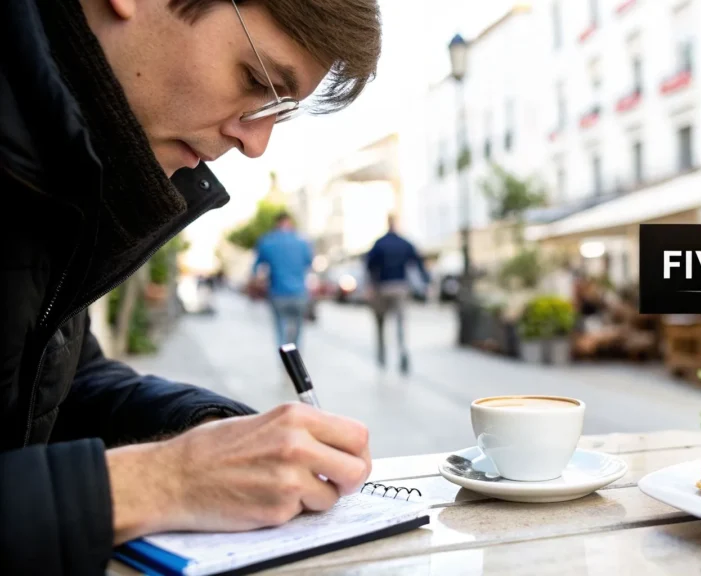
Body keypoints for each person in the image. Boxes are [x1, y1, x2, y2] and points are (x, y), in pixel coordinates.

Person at [0, 0, 381, 573]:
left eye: (279, 112)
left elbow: (60, 382)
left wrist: (211, 431)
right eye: (256, 81)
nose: (256, 144)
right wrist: (162, 481)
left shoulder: (59, 161)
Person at [364, 215, 430, 373]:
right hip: (400, 287)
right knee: (400, 323)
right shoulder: (404, 243)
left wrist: (370, 285)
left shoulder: (379, 243)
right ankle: (402, 353)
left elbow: (369, 264)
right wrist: (426, 281)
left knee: (380, 322)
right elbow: (418, 261)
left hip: (383, 287)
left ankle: (381, 355)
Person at [253, 212, 314, 349]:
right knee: (298, 329)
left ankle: (284, 357)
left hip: (277, 292)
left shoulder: (267, 241)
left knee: (280, 328)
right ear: (290, 223)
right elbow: (309, 264)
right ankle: (295, 356)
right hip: (299, 293)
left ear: (276, 224)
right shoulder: (302, 242)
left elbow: (257, 267)